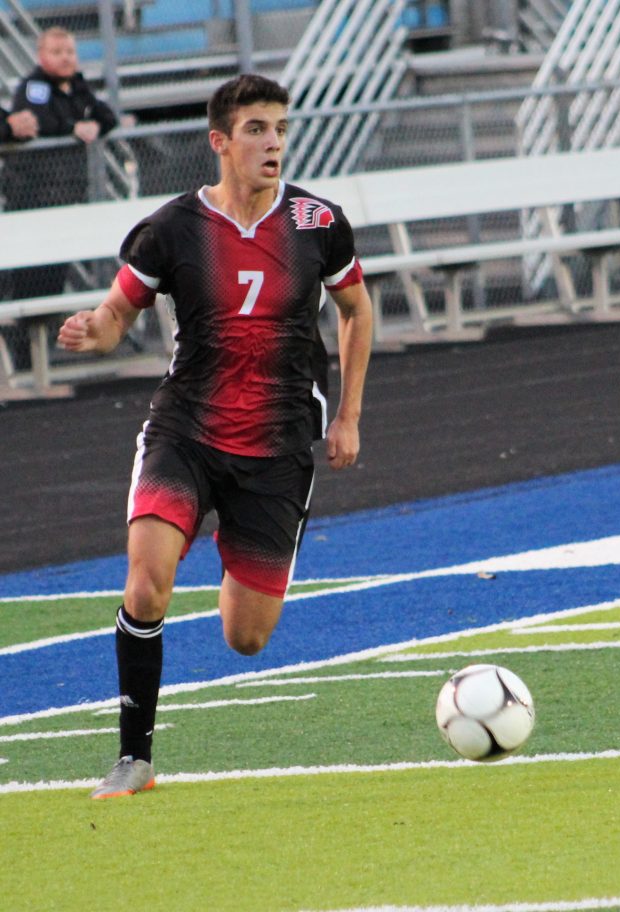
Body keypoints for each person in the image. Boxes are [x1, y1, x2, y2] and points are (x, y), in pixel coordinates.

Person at [57, 74, 373, 798]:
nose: (273, 142)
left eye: (280, 128)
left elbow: (358, 310)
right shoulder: (173, 228)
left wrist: (349, 415)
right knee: (146, 583)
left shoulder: (318, 223)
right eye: (257, 129)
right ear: (220, 141)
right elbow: (116, 314)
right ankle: (134, 758)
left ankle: (235, 546)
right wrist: (93, 332)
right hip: (187, 431)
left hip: (278, 443)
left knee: (246, 637)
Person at [5, 27, 119, 299]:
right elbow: (36, 121)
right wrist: (72, 128)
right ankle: (27, 322)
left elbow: (107, 116)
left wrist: (95, 125)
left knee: (58, 267)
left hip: (68, 192)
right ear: (41, 56)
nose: (65, 58)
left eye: (69, 51)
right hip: (33, 194)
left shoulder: (78, 87)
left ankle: (48, 320)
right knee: (31, 269)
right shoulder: (35, 87)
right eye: (56, 52)